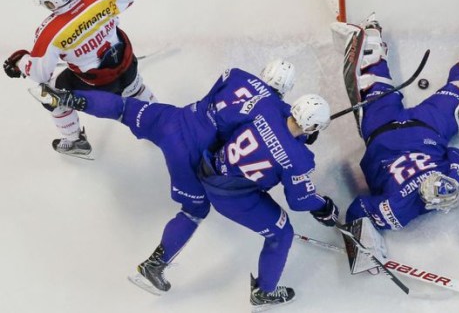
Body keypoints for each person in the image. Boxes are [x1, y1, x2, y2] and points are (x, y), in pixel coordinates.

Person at [31, 60, 298, 296]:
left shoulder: (236, 73)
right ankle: (154, 267)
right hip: (191, 151)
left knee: (124, 108)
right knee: (194, 210)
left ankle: (68, 98)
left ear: (264, 72)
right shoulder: (273, 110)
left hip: (175, 118)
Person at [330, 13, 459, 243]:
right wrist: (359, 238)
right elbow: (359, 208)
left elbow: (457, 156)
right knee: (372, 87)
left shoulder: (442, 185)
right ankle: (369, 39)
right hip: (385, 130)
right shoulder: (397, 209)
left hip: (426, 128)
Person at [197, 93, 338, 311]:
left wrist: (299, 135)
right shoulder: (298, 159)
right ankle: (264, 293)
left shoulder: (266, 108)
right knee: (282, 233)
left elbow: (271, 122)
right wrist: (324, 207)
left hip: (210, 168)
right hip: (232, 197)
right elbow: (300, 200)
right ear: (312, 127)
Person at [3, 0, 155, 158]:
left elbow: (39, 74)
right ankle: (156, 122)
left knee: (48, 94)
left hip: (98, 84)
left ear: (50, 3)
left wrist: (19, 61)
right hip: (127, 65)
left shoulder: (50, 32)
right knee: (137, 90)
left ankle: (75, 140)